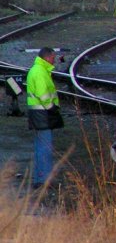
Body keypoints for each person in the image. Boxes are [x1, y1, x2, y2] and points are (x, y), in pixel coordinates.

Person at [26, 46, 63, 188]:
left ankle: (40, 178)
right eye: (53, 58)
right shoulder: (40, 72)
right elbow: (43, 95)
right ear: (47, 57)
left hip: (37, 114)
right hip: (42, 114)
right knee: (45, 148)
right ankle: (44, 180)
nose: (54, 60)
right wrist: (52, 108)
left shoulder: (38, 70)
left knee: (40, 147)